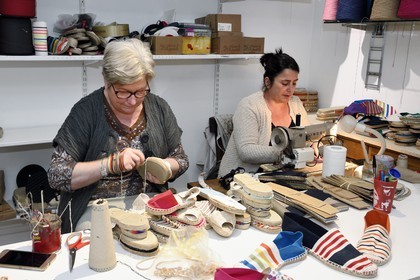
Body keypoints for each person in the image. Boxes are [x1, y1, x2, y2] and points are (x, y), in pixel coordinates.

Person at [48, 38, 189, 233]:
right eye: (123, 92)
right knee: (101, 250)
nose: (132, 101)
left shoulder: (159, 108)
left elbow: (181, 160)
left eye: (140, 91)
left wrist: (165, 168)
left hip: (149, 204)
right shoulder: (86, 111)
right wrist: (110, 165)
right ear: (106, 81)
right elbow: (57, 175)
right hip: (96, 208)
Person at [218, 48, 309, 177]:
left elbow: (307, 137)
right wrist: (285, 153)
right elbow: (246, 151)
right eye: (285, 83)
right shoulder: (249, 105)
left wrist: (314, 147)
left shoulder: (296, 104)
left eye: (294, 83)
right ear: (267, 82)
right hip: (242, 178)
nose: (290, 89)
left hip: (283, 176)